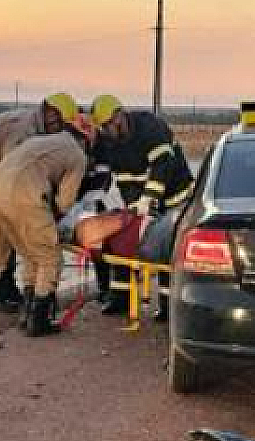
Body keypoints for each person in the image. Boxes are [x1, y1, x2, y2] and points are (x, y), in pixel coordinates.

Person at [0, 93, 79, 313]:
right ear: (50, 112)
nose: (58, 129)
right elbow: (16, 169)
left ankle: (5, 288)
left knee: (9, 228)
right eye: (58, 123)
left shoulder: (37, 127)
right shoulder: (25, 128)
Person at [89, 94, 195, 320]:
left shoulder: (150, 127)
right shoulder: (106, 140)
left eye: (108, 125)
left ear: (119, 116)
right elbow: (101, 171)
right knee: (122, 243)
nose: (106, 131)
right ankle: (120, 299)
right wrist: (94, 199)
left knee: (168, 247)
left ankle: (168, 306)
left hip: (174, 197)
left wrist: (149, 199)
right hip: (136, 202)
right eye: (102, 127)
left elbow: (162, 166)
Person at [0, 120, 90, 336]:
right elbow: (65, 202)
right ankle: (39, 321)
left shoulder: (45, 141)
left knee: (30, 254)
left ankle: (27, 313)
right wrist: (56, 219)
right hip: (25, 194)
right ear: (87, 139)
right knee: (50, 257)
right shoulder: (77, 155)